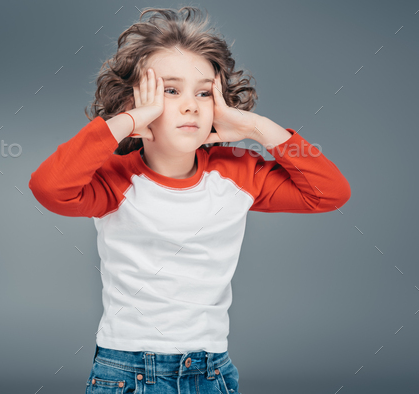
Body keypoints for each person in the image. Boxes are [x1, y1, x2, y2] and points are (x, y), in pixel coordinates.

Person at [28, 6, 350, 394]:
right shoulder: (115, 179)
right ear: (136, 100)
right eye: (170, 90)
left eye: (203, 92)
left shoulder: (238, 173)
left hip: (211, 369)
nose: (190, 105)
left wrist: (255, 127)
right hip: (128, 370)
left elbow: (329, 192)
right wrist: (129, 120)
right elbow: (49, 188)